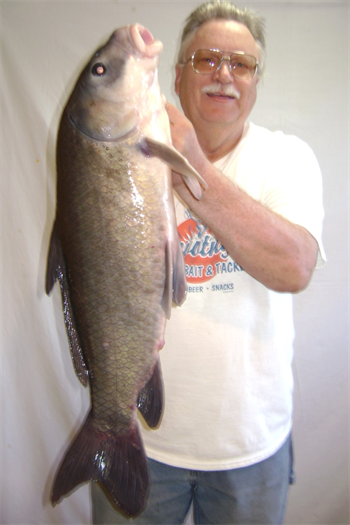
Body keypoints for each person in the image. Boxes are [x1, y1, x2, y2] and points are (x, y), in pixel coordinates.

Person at [92, 1, 326, 524]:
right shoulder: (120, 156)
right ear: (176, 75)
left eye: (241, 63)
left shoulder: (287, 158)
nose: (224, 74)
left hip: (250, 449)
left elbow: (294, 267)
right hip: (141, 437)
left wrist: (193, 169)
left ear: (256, 81)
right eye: (206, 60)